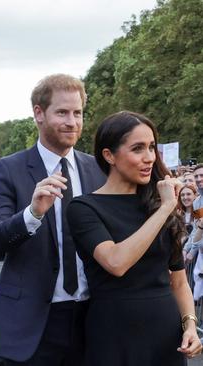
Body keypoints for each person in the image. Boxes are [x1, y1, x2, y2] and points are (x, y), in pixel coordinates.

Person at [0, 74, 106, 365]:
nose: (72, 122)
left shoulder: (98, 170)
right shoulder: (7, 170)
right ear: (39, 113)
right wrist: (32, 213)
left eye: (78, 113)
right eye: (62, 112)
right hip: (33, 326)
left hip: (93, 320)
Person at [67, 111, 202, 364]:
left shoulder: (156, 203)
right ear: (109, 156)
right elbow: (116, 262)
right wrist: (164, 209)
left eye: (152, 147)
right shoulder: (83, 208)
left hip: (165, 336)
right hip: (113, 335)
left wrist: (190, 326)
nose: (149, 157)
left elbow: (179, 282)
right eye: (138, 148)